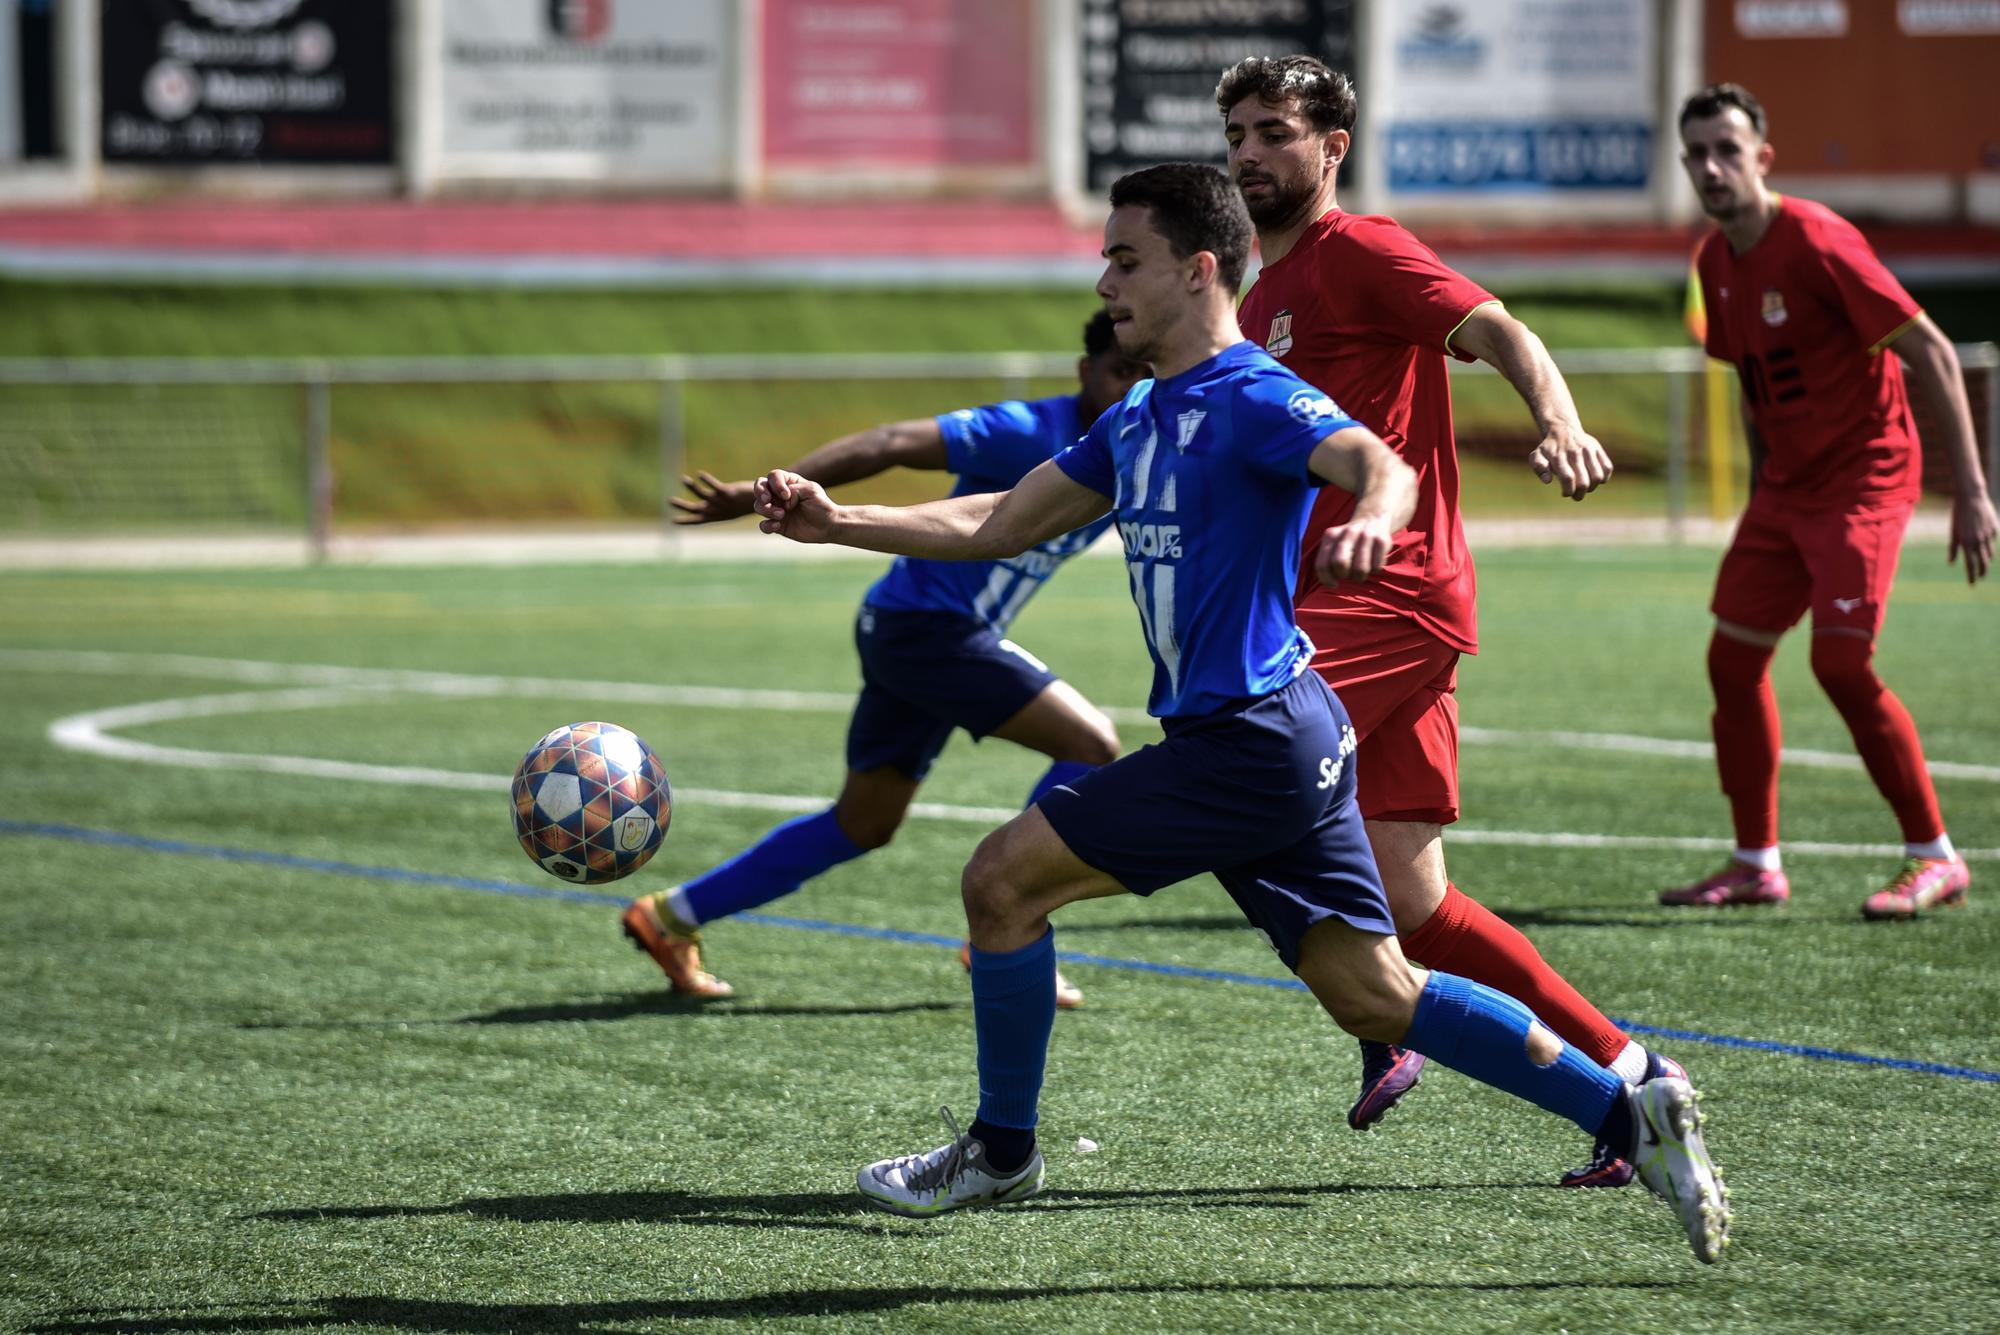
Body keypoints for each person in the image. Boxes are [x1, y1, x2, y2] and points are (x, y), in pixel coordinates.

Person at [753, 163, 1730, 1264]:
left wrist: (1372, 511)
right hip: (1276, 737)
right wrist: (839, 524)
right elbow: (995, 519)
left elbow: (1375, 459)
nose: (1105, 276)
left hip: (1248, 743)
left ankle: (999, 1149)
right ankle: (1624, 1112)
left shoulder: (1250, 392)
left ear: (1196, 267)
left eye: (1125, 257)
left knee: (999, 881)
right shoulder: (1139, 414)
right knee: (1374, 993)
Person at [1216, 54, 1678, 1184]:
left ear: (1331, 146)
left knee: (1224, 761)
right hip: (1345, 600)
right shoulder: (1257, 292)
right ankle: (1631, 1079)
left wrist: (1557, 422)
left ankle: (1378, 1025)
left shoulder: (1362, 250)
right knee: (1416, 904)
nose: (1246, 154)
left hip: (1389, 591)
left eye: (1273, 131)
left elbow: (1498, 329)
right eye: (1233, 132)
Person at [621, 313, 1149, 1002]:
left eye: (1145, 373)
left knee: (861, 823)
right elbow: (890, 441)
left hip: (914, 631)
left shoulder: (1132, 447)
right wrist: (763, 487)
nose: (1131, 387)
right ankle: (1011, 921)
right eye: (1118, 372)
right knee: (1092, 743)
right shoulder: (1027, 430)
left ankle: (671, 915)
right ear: (1085, 372)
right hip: (928, 629)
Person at [1665, 83, 1995, 917]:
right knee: (1731, 662)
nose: (1711, 167)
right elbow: (1754, 388)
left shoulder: (1816, 240)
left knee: (1840, 663)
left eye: (1727, 150)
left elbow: (1934, 352)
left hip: (1866, 478)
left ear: (1762, 157)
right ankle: (1755, 863)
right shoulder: (1714, 261)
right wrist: (1763, 484)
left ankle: (1935, 854)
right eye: (1697, 153)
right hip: (1786, 490)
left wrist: (1973, 493)